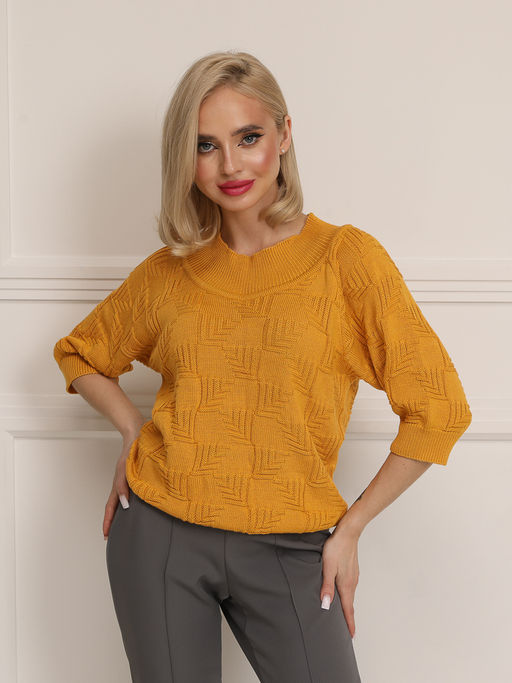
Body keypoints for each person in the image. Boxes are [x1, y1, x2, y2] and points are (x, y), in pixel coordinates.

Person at [53, 50, 472, 683]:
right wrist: (133, 431)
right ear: (186, 159)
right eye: (206, 145)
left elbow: (440, 408)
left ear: (284, 134)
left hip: (294, 544)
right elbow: (80, 352)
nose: (230, 165)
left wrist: (352, 528)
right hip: (160, 533)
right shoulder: (171, 273)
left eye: (247, 137)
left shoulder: (346, 261)